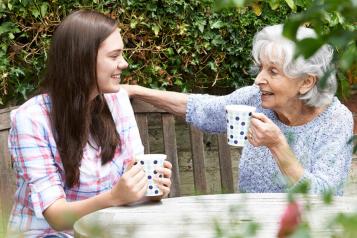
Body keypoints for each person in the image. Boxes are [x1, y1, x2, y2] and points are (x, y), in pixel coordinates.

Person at [122, 24, 353, 196]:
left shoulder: (334, 120)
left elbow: (325, 196)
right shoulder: (255, 99)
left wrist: (278, 145)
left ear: (306, 82)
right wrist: (136, 90)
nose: (259, 79)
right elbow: (201, 108)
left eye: (273, 71)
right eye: (261, 68)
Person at [8, 10, 172, 237]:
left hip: (105, 229)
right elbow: (56, 216)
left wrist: (147, 189)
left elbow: (132, 173)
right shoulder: (32, 119)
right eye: (114, 56)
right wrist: (115, 197)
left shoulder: (117, 102)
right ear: (82, 59)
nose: (124, 64)